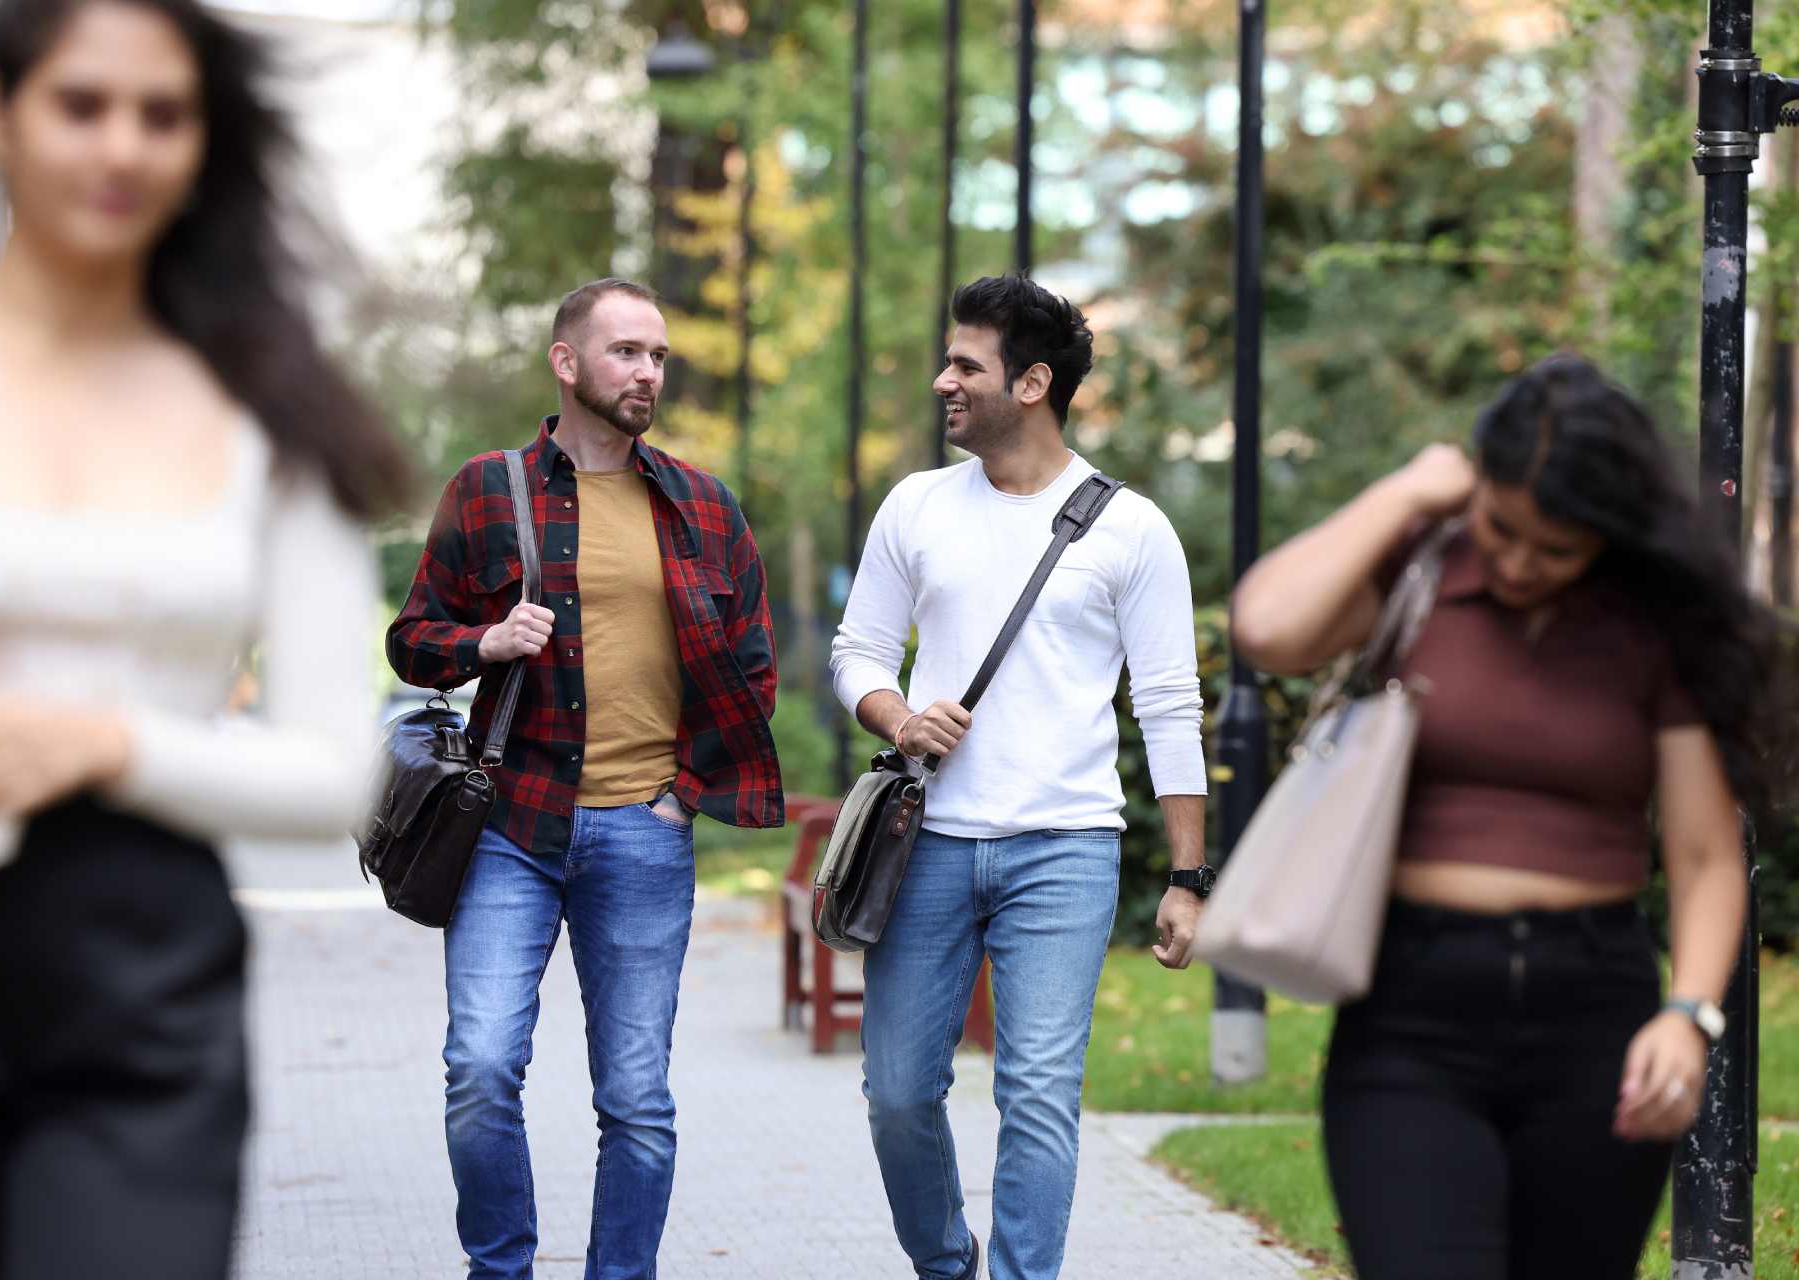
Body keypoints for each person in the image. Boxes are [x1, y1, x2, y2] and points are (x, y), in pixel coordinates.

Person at [0, 1, 413, 1278]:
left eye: (162, 115)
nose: (120, 146)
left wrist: (106, 740)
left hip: (143, 983)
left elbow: (337, 772)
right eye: (80, 104)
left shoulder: (265, 413)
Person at [1231, 355, 1779, 1280]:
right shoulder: (1421, 573)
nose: (1522, 564)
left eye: (1556, 548)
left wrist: (1688, 1016)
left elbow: (1704, 855)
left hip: (1595, 1012)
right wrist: (1408, 491)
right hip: (1411, 1014)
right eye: (1503, 529)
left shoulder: (1651, 626)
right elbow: (1268, 627)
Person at [386, 277, 784, 1280]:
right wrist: (485, 637)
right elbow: (411, 640)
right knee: (479, 1068)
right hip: (511, 828)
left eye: (657, 353)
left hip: (645, 831)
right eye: (625, 352)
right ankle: (502, 1267)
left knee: (638, 1097)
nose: (648, 370)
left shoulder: (702, 502)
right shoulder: (488, 489)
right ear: (567, 362)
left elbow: (752, 666)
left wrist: (680, 789)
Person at [829, 274, 1210, 1280]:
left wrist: (1187, 873)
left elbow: (1168, 702)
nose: (943, 380)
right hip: (929, 844)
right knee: (900, 1090)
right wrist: (899, 715)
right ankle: (947, 1263)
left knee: (1037, 1090)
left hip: (1067, 848)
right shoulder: (917, 505)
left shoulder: (1133, 529)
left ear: (1033, 382)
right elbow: (856, 651)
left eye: (967, 365)